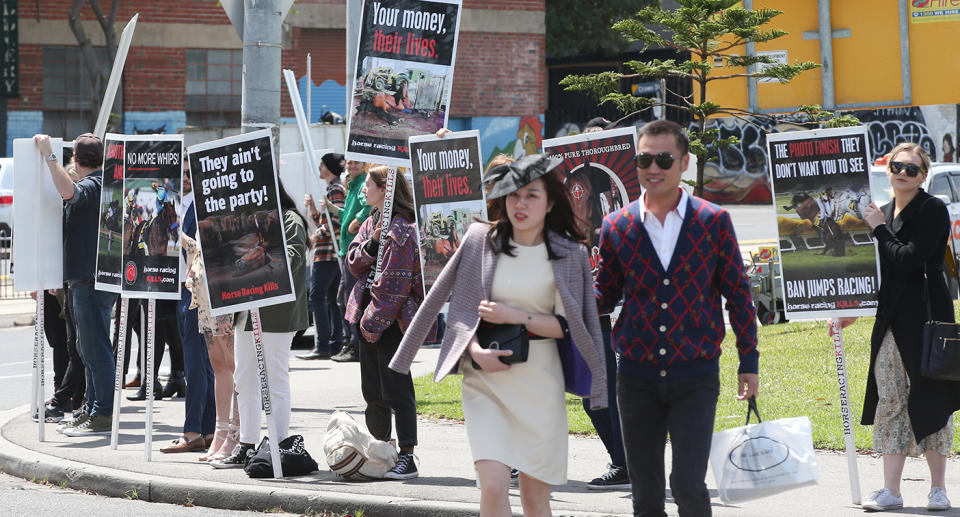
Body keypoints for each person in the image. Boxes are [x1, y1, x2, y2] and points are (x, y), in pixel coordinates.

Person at [390, 154, 608, 515]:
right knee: (492, 489)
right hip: (485, 383)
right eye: (513, 195)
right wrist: (474, 352)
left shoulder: (570, 253)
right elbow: (458, 309)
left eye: (531, 196)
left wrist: (517, 317)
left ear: (550, 202)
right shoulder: (480, 239)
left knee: (535, 500)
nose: (520, 204)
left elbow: (569, 327)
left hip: (541, 384)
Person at [594, 120, 759, 516]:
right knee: (646, 494)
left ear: (684, 162)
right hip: (636, 376)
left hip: (695, 374)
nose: (653, 168)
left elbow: (739, 295)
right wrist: (563, 291)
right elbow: (605, 294)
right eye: (644, 159)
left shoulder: (712, 221)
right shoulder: (616, 226)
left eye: (663, 159)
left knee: (687, 485)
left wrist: (748, 362)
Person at [833, 142, 960, 512]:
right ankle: (891, 491)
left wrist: (879, 229)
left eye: (912, 168)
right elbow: (881, 274)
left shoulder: (932, 208)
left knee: (932, 400)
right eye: (897, 165)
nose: (903, 172)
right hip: (890, 320)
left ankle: (938, 489)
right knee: (890, 400)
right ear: (888, 169)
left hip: (928, 320)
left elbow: (908, 259)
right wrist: (851, 311)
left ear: (924, 175)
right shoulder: (883, 212)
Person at [212, 180, 309, 469]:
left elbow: (292, 258)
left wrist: (254, 257)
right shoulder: (250, 225)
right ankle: (247, 443)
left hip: (277, 313)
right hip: (248, 312)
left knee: (275, 379)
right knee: (245, 379)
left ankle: (279, 445)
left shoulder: (290, 220)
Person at [345, 165, 428, 480]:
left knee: (396, 388)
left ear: (386, 189)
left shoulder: (403, 229)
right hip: (366, 318)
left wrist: (374, 323)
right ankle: (383, 449)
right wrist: (371, 244)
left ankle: (407, 455)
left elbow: (394, 285)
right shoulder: (371, 224)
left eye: (368, 184)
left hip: (391, 323)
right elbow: (353, 262)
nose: (364, 190)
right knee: (373, 391)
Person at [35, 133, 119, 437]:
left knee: (95, 348)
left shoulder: (92, 185)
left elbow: (69, 192)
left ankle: (102, 414)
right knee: (88, 347)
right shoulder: (101, 184)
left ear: (75, 159)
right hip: (87, 278)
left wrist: (48, 155)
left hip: (91, 280)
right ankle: (91, 408)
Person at [163, 159, 216, 453]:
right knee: (203, 363)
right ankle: (206, 429)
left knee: (196, 362)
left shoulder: (200, 204)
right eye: (180, 173)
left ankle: (194, 431)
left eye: (187, 173)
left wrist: (171, 227)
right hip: (189, 288)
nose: (182, 178)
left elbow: (196, 246)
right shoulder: (185, 202)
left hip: (197, 290)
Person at [298, 153, 347, 360]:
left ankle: (323, 345)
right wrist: (312, 210)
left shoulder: (335, 189)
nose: (319, 167)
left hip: (327, 254)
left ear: (328, 167)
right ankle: (335, 343)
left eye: (322, 164)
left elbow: (336, 221)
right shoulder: (334, 188)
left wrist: (315, 236)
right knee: (332, 299)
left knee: (317, 297)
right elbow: (326, 220)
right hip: (331, 253)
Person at [331, 159, 372, 363]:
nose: (352, 166)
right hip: (346, 250)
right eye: (349, 163)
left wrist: (357, 221)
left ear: (364, 165)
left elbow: (368, 207)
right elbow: (346, 217)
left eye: (356, 163)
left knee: (350, 301)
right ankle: (350, 343)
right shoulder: (353, 186)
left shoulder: (364, 184)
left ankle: (355, 346)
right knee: (342, 300)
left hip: (353, 251)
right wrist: (331, 209)